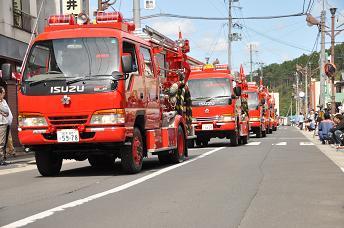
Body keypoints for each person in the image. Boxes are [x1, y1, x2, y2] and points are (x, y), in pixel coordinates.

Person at [0, 86, 11, 165]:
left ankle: (2, 158)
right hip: (1, 124)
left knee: (3, 143)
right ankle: (1, 159)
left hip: (5, 123)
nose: (4, 94)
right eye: (3, 93)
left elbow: (6, 112)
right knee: (1, 143)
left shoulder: (3, 101)